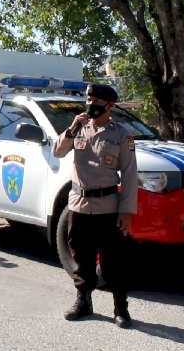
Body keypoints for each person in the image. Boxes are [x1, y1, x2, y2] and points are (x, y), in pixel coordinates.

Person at [52, 83, 138, 329]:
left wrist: (127, 211)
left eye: (97, 101)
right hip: (79, 205)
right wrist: (72, 127)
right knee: (82, 257)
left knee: (113, 261)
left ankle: (120, 308)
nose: (91, 104)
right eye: (89, 99)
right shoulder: (78, 128)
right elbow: (58, 152)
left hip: (108, 207)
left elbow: (130, 175)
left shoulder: (121, 135)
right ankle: (83, 302)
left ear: (109, 105)